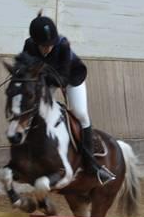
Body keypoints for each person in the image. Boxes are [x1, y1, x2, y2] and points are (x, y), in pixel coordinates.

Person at [22, 11, 116, 185]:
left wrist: (40, 73)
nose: (48, 48)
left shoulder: (63, 45)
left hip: (72, 78)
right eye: (43, 45)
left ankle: (91, 164)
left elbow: (62, 78)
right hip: (45, 80)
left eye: (50, 44)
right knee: (32, 106)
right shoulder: (29, 45)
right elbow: (24, 66)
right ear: (35, 42)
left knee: (80, 114)